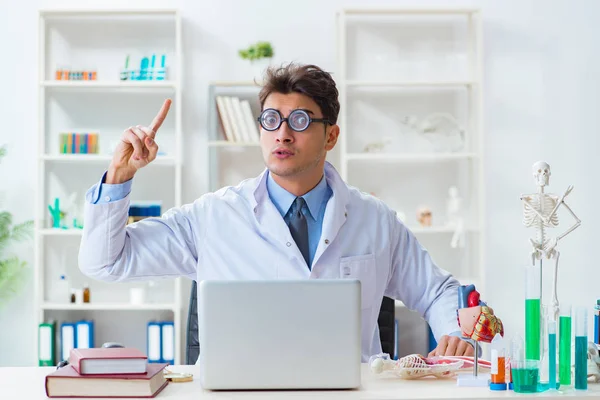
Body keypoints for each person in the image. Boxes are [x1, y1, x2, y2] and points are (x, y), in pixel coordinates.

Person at [79, 62, 473, 361]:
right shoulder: (211, 218)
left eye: (300, 120)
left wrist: (454, 334)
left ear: (330, 135)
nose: (283, 133)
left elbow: (437, 290)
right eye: (271, 120)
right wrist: (118, 177)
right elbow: (105, 263)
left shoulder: (374, 219)